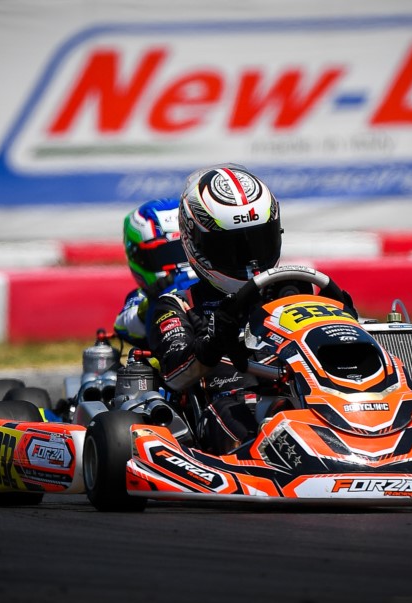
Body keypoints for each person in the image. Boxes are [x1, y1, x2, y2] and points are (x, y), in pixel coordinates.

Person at [148, 164, 353, 455]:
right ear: (194, 243)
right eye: (233, 249)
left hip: (315, 397)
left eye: (260, 242)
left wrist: (345, 323)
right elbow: (175, 373)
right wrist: (214, 341)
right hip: (233, 405)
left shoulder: (294, 290)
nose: (252, 263)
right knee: (249, 415)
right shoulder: (179, 304)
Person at [114, 198, 197, 349]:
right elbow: (123, 324)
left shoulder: (218, 278)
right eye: (166, 255)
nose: (182, 260)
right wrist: (147, 306)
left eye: (189, 248)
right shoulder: (142, 298)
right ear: (138, 257)